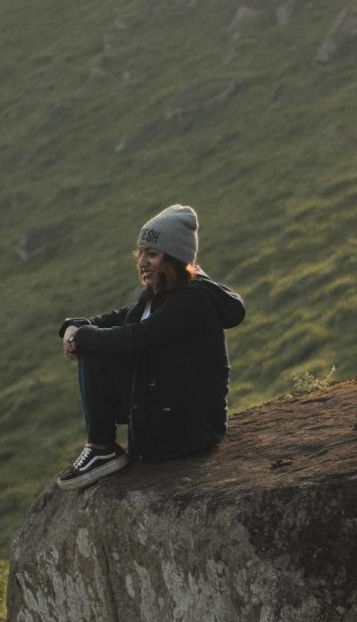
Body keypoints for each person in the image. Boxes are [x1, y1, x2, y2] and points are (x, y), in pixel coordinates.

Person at [57, 204, 246, 490]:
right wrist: (75, 326)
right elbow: (121, 318)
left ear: (174, 258)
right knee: (96, 343)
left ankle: (101, 448)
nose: (143, 261)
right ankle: (101, 449)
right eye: (141, 253)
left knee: (96, 351)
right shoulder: (159, 294)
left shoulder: (192, 300)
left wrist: (83, 338)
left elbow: (137, 337)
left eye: (152, 254)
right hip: (170, 413)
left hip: (190, 428)